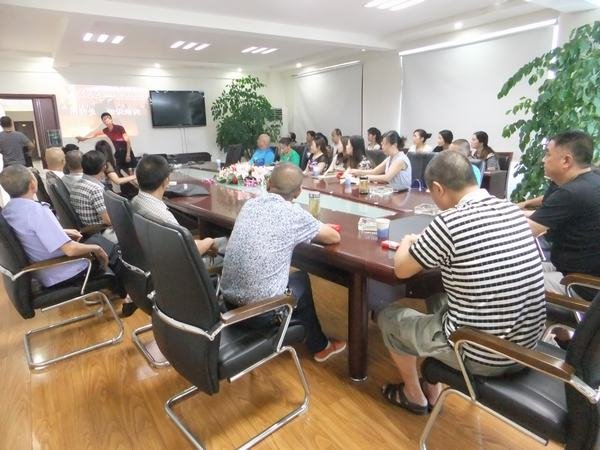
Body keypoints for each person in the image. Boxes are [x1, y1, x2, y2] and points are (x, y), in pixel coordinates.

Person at [377, 151, 545, 415]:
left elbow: (402, 269)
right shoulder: (511, 210)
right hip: (526, 347)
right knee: (437, 295)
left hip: (483, 354)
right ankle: (433, 386)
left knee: (388, 317)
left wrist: (408, 240)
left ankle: (413, 396)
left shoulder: (450, 222)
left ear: (438, 188)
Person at [220, 163, 346, 362]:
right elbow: (333, 237)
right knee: (301, 279)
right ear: (298, 192)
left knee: (291, 281)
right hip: (258, 315)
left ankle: (303, 330)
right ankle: (321, 346)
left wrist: (312, 226)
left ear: (268, 184)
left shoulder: (250, 205)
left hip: (227, 306)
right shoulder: (293, 214)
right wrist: (316, 226)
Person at [0, 164, 109, 287]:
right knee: (106, 248)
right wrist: (97, 249)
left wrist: (61, 231)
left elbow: (28, 233)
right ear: (32, 185)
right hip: (65, 272)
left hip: (43, 272)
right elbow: (70, 250)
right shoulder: (37, 211)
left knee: (97, 241)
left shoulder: (8, 211)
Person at [527, 131, 600, 298]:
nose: (543, 160)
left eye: (548, 154)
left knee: (506, 278)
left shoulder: (572, 192)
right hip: (574, 271)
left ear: (566, 160)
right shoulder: (593, 181)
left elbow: (522, 232)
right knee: (515, 267)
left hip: (580, 284)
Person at [70, 150, 115, 241]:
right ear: (104, 167)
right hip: (101, 233)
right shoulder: (96, 189)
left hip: (88, 232)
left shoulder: (75, 185)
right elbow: (109, 221)